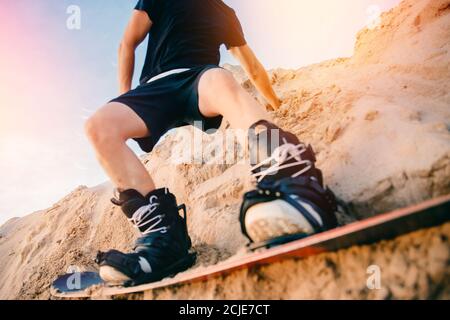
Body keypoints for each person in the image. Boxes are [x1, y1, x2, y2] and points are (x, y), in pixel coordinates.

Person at [85, 0, 338, 286]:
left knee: (221, 78)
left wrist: (275, 103)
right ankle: (165, 240)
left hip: (199, 81)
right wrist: (125, 97)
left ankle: (294, 186)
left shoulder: (224, 12)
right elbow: (127, 43)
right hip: (154, 90)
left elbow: (252, 67)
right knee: (98, 126)